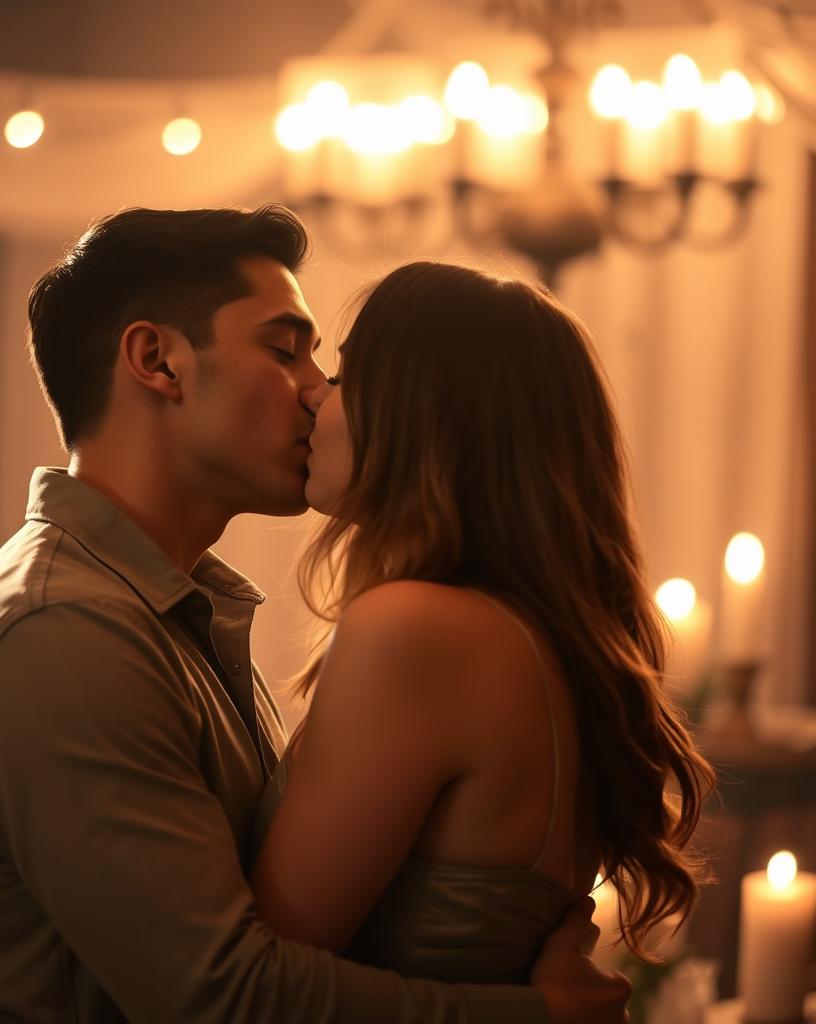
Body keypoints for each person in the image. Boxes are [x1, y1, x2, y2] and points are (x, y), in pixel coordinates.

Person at [0, 206, 631, 1023]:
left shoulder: (179, 613)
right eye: (287, 351)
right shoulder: (58, 632)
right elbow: (224, 996)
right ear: (158, 363)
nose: (317, 391)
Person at [250, 261, 714, 984]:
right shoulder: (542, 637)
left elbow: (260, 977)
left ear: (418, 411)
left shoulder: (417, 630)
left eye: (344, 376)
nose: (315, 397)